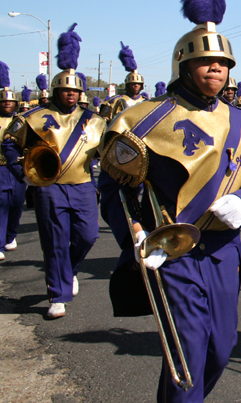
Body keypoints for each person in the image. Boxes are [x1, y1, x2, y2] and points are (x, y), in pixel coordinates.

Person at [99, 0, 241, 402]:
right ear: (183, 65)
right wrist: (132, 233)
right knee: (188, 349)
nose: (215, 71)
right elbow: (113, 189)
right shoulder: (144, 117)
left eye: (222, 65)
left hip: (223, 249)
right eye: (206, 63)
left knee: (221, 348)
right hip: (170, 247)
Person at [2, 24, 106, 317]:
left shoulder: (95, 121)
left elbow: (107, 152)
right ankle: (57, 295)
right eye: (66, 89)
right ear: (57, 90)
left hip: (84, 185)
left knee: (88, 236)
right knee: (55, 241)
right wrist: (22, 170)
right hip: (49, 188)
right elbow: (10, 143)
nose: (71, 94)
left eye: (75, 90)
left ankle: (68, 271)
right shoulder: (34, 117)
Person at [0, 63, 24, 260]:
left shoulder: (21, 120)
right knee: (1, 205)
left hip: (17, 168)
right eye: (3, 102)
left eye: (10, 102)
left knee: (16, 204)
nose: (6, 104)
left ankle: (10, 235)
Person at [99, 42, 146, 121]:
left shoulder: (146, 102)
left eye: (138, 84)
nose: (136, 85)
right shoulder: (115, 101)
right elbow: (104, 121)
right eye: (133, 83)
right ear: (128, 85)